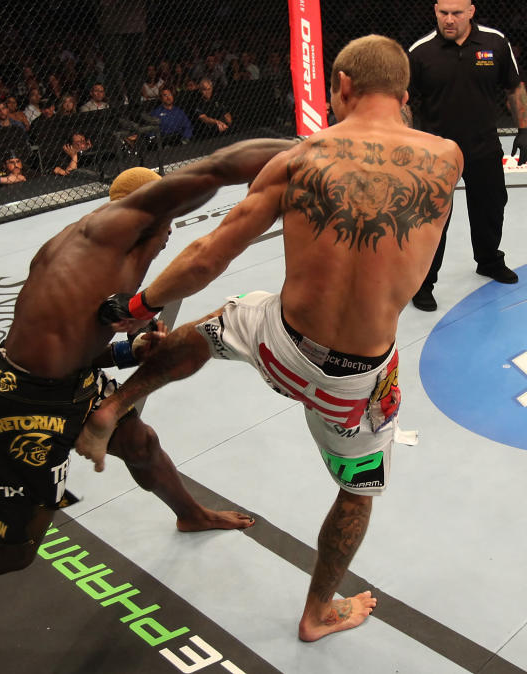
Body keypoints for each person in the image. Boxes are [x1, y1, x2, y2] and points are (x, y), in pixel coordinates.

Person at [76, 34, 462, 644]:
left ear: (339, 85)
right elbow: (398, 138)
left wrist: (136, 307)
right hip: (350, 385)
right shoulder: (446, 157)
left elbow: (206, 256)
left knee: (216, 323)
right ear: (405, 94)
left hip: (278, 342)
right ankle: (317, 612)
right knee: (356, 492)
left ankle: (115, 404)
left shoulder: (298, 159)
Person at [0, 139, 296, 665]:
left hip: (72, 383)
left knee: (139, 440)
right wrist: (318, 149)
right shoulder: (101, 237)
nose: (164, 244)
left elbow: (74, 339)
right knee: (15, 552)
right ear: (149, 218)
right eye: (164, 232)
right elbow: (219, 168)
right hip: (20, 408)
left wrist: (127, 348)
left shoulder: (113, 252)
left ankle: (190, 514)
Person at [404, 0, 527, 311]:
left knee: (490, 207)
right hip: (436, 151)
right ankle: (423, 282)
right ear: (435, 10)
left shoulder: (495, 42)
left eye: (456, 13)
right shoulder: (420, 51)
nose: (449, 20)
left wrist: (524, 131)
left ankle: (488, 261)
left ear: (471, 11)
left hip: (484, 145)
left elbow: (514, 89)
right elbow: (402, 100)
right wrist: (404, 140)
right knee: (432, 219)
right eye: (443, 13)